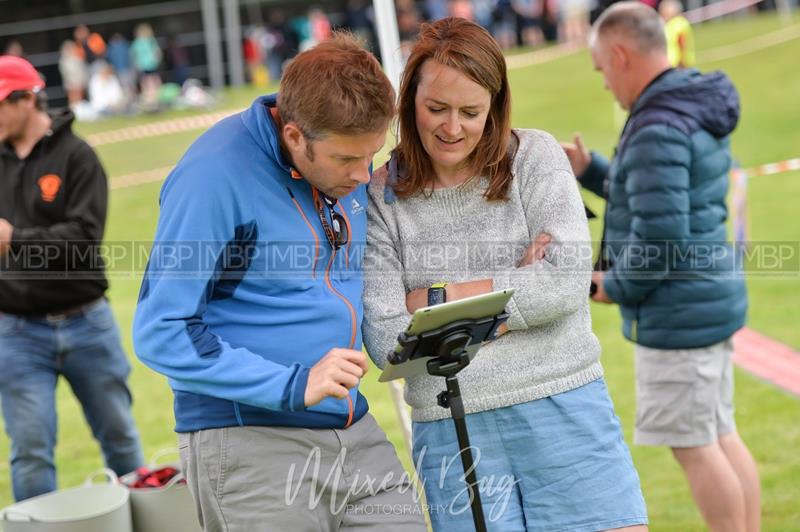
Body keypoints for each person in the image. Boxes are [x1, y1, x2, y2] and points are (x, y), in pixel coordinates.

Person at [362, 17, 648, 531]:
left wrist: (430, 299)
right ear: (409, 103)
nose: (453, 128)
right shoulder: (382, 198)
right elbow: (385, 337)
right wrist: (513, 284)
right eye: (436, 109)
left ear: (494, 106)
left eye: (471, 112)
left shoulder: (535, 157)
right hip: (453, 426)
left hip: (565, 405)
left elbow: (563, 284)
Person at [132, 34, 426, 532]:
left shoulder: (345, 155)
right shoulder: (212, 176)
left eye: (370, 155)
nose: (362, 175)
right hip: (247, 439)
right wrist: (293, 383)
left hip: (350, 424)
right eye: (345, 161)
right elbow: (162, 329)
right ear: (294, 136)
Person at [561, 3, 760, 531]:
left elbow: (663, 234)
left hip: (680, 313)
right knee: (718, 433)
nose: (605, 83)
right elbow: (660, 198)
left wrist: (614, 286)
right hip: (704, 300)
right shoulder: (684, 102)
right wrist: (592, 170)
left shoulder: (656, 123)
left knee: (695, 445)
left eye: (602, 69)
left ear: (621, 55)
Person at [0, 55, 144, 502]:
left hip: (87, 326)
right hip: (16, 331)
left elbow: (83, 240)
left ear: (26, 100)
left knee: (120, 440)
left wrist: (15, 238)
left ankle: (146, 519)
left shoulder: (77, 156)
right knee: (30, 451)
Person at [659, 0, 695, 68]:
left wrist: (682, 61)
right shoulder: (665, 24)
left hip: (677, 63)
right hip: (667, 63)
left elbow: (682, 43)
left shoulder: (679, 23)